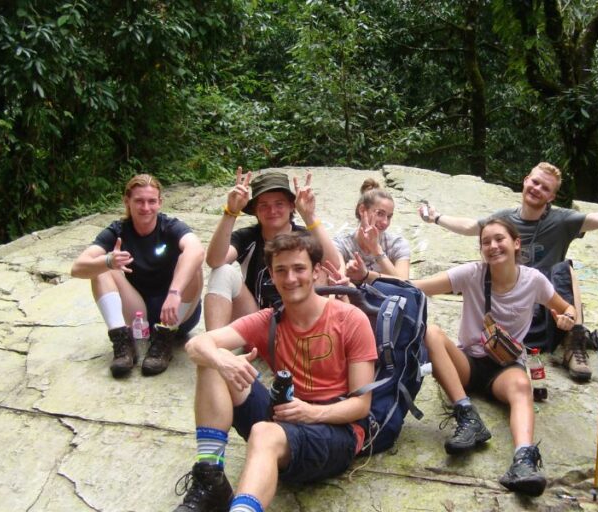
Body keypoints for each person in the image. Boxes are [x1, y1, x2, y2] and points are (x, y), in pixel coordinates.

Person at [348, 218, 577, 496]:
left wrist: (567, 318)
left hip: (506, 368)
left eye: (499, 239)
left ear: (516, 243)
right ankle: (467, 416)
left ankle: (524, 459)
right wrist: (367, 277)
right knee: (431, 333)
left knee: (521, 387)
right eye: (485, 242)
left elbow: (566, 308)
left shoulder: (534, 280)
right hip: (467, 363)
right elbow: (414, 286)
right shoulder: (473, 273)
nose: (492, 246)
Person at [172, 232, 377, 512]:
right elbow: (196, 345)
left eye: (299, 268)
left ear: (316, 271)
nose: (290, 278)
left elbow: (361, 405)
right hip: (285, 418)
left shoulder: (350, 320)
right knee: (212, 359)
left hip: (335, 431)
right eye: (281, 270)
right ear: (271, 274)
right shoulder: (270, 319)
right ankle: (211, 479)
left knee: (264, 434)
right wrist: (224, 362)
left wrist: (311, 412)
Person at [420, 163, 598, 382]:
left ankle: (574, 342)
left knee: (565, 269)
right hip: (510, 325)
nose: (537, 189)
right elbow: (471, 227)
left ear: (552, 197)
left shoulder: (562, 220)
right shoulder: (504, 221)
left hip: (547, 316)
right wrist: (436, 218)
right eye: (535, 182)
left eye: (545, 188)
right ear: (526, 180)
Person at [70, 174, 204, 377]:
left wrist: (174, 292)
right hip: (138, 313)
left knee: (193, 265)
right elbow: (77, 268)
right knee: (99, 267)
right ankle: (122, 343)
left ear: (160, 203)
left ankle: (164, 339)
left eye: (151, 201)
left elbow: (197, 250)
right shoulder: (117, 231)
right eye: (139, 201)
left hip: (176, 312)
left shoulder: (170, 226)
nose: (146, 207)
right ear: (127, 202)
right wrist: (108, 261)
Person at [203, 168, 344, 331]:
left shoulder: (306, 237)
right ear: (255, 210)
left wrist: (309, 216)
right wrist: (231, 212)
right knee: (222, 272)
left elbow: (333, 263)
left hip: (300, 321)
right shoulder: (247, 237)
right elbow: (214, 261)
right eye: (264, 205)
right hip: (256, 318)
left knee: (321, 270)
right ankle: (213, 346)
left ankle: (308, 338)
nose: (272, 211)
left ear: (292, 206)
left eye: (279, 204)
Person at [333, 178, 410, 279]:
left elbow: (405, 286)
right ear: (362, 210)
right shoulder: (341, 244)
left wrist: (376, 250)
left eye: (389, 216)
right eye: (380, 214)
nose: (385, 222)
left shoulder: (397, 244)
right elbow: (337, 279)